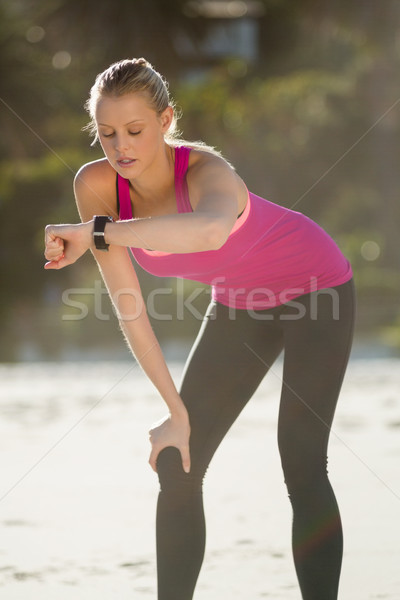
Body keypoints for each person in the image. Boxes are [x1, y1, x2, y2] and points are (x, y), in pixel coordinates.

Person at [44, 57, 355, 600]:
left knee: (302, 459)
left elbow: (210, 232)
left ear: (166, 121)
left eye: (135, 131)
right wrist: (176, 413)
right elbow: (129, 306)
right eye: (107, 133)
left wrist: (97, 233)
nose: (121, 148)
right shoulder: (96, 186)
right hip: (241, 302)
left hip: (316, 288)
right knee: (177, 459)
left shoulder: (207, 173)